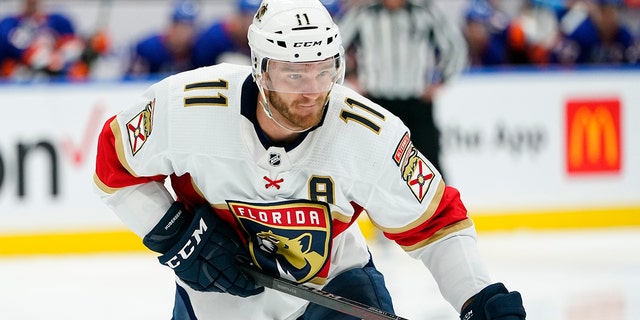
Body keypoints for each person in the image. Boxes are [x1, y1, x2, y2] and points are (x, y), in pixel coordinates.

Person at [93, 0, 526, 319]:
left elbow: (436, 223)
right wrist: (173, 235)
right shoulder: (188, 106)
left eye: (324, 70)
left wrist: (478, 296)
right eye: (294, 73)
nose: (313, 90)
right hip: (216, 296)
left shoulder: (367, 133)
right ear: (260, 68)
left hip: (334, 285)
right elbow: (113, 162)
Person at [337, 0, 468, 178]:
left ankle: (441, 207)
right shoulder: (364, 14)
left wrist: (441, 81)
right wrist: (351, 77)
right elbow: (336, 46)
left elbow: (455, 47)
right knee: (372, 166)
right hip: (377, 104)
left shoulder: (425, 12)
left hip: (416, 103)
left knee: (430, 165)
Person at [0, 0, 100, 81]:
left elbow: (73, 49)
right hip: (24, 79)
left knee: (78, 71)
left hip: (59, 76)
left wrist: (58, 58)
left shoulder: (59, 20)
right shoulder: (8, 24)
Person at [125, 0, 200, 77]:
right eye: (181, 26)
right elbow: (133, 82)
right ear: (172, 26)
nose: (186, 32)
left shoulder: (199, 50)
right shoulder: (148, 48)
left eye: (190, 26)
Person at [191, 0, 262, 67]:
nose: (250, 21)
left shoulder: (263, 37)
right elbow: (198, 66)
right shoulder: (214, 36)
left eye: (255, 16)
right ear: (237, 16)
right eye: (245, 16)